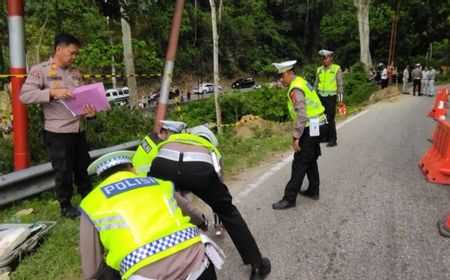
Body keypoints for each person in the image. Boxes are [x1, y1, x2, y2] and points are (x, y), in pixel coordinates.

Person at [148, 124, 271, 280]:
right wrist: (221, 213)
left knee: (162, 208)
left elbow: (174, 183)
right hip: (198, 170)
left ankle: (161, 265)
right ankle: (258, 266)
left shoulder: (176, 138)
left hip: (162, 166)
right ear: (211, 140)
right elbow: (220, 188)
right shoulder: (211, 150)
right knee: (229, 213)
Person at [80, 150, 220, 280]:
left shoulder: (91, 203)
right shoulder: (158, 183)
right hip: (197, 265)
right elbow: (189, 210)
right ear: (132, 169)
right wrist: (202, 222)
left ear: (101, 180)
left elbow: (92, 269)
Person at [20, 33, 96, 219]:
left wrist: (91, 113)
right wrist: (53, 92)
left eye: (76, 54)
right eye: (72, 53)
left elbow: (83, 100)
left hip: (78, 129)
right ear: (59, 49)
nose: (74, 57)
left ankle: (89, 199)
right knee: (63, 171)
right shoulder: (41, 71)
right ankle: (65, 205)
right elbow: (25, 96)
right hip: (58, 132)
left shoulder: (75, 73)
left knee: (82, 167)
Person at [271, 60, 327, 210]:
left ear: (290, 73)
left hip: (310, 127)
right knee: (310, 158)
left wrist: (296, 137)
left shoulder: (295, 89)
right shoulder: (302, 81)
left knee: (299, 163)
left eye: (282, 76)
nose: (281, 80)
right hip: (319, 125)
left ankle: (289, 198)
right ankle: (313, 190)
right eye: (279, 77)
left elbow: (301, 115)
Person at [314, 49, 343, 147]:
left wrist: (340, 100)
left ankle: (333, 139)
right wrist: (313, 97)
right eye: (323, 58)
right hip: (321, 97)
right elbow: (316, 85)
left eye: (326, 58)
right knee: (323, 118)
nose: (324, 60)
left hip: (331, 98)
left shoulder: (336, 69)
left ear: (331, 58)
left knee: (330, 118)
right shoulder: (319, 70)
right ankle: (325, 137)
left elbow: (340, 86)